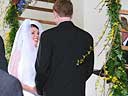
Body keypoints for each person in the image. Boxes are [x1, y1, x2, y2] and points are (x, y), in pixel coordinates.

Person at [35, 0, 94, 96]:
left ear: (55, 12)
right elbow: (88, 68)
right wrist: (76, 82)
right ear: (72, 13)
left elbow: (42, 68)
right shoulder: (87, 37)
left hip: (52, 91)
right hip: (77, 91)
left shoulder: (48, 36)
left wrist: (40, 89)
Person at [8, 19, 43, 96]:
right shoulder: (18, 54)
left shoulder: (39, 55)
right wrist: (32, 90)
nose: (36, 36)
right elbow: (13, 79)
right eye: (32, 33)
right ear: (26, 35)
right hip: (22, 92)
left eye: (38, 33)